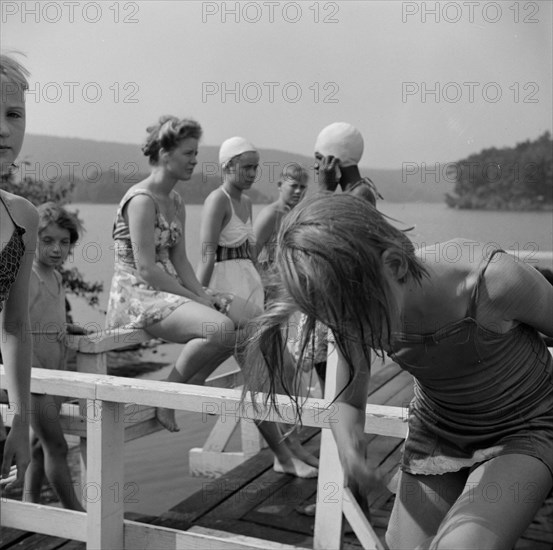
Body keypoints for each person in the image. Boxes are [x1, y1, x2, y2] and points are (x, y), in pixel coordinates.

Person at [246, 193, 553, 550]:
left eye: (354, 317)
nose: (349, 331)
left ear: (393, 265)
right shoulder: (355, 305)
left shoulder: (491, 280)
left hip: (526, 425)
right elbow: (348, 396)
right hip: (440, 431)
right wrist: (350, 448)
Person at [105, 116, 256, 433]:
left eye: (195, 154)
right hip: (138, 293)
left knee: (254, 319)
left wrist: (202, 294)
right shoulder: (141, 201)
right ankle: (169, 395)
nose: (195, 161)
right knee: (220, 327)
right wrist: (195, 300)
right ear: (164, 153)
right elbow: (145, 268)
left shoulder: (174, 200)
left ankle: (195, 376)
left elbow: (181, 259)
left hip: (168, 287)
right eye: (188, 153)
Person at [197, 137, 318, 476]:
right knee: (259, 377)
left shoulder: (246, 202)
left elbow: (251, 256)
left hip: (250, 290)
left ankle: (292, 445)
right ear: (227, 166)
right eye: (246, 167)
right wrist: (196, 295)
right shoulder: (215, 201)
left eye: (255, 167)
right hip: (227, 293)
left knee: (284, 369)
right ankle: (282, 456)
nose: (252, 173)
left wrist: (266, 290)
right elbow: (207, 255)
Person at [23, 203, 85, 510]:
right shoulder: (27, 277)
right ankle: (76, 512)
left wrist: (67, 327)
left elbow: (47, 319)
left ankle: (29, 503)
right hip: (32, 376)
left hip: (56, 368)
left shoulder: (56, 278)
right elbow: (8, 327)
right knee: (57, 446)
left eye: (64, 242)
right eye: (47, 241)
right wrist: (31, 374)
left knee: (39, 445)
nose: (57, 249)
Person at [0, 53, 38, 491]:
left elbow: (14, 326)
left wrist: (21, 419)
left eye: (13, 114)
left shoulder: (22, 218)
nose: (4, 129)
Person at [254, 163, 309, 274]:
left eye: (302, 187)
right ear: (280, 185)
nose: (298, 191)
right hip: (273, 282)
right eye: (294, 186)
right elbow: (251, 254)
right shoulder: (270, 215)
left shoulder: (302, 214)